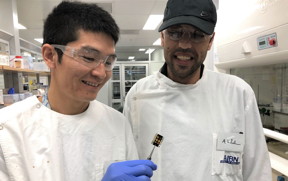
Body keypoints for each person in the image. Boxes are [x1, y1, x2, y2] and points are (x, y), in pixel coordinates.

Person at [0, 1, 157, 181]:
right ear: (50, 56)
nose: (100, 73)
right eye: (88, 57)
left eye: (107, 62)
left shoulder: (117, 123)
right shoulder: (8, 130)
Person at [123, 0, 272, 180]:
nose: (184, 45)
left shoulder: (237, 93)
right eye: (175, 33)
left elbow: (257, 171)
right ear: (162, 37)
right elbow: (127, 160)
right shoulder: (138, 96)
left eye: (197, 35)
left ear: (210, 41)